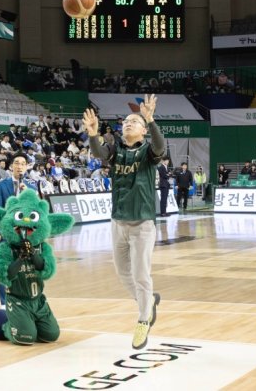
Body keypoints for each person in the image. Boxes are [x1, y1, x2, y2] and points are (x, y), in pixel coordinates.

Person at [83, 95, 164, 350]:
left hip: (142, 223)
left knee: (141, 273)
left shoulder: (148, 152)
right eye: (125, 121)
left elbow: (160, 147)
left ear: (142, 130)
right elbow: (98, 153)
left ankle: (143, 319)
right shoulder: (116, 150)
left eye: (134, 121)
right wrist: (94, 134)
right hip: (118, 221)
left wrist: (150, 119)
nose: (128, 123)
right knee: (122, 272)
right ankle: (148, 301)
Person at [0, 152, 37, 309]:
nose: (20, 166)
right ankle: (4, 303)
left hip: (24, 235)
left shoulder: (30, 188)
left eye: (23, 163)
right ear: (11, 166)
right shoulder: (0, 186)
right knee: (4, 266)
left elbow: (34, 212)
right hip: (5, 233)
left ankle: (22, 298)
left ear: (26, 167)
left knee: (24, 268)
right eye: (17, 163)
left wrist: (26, 194)